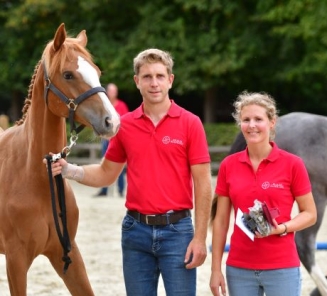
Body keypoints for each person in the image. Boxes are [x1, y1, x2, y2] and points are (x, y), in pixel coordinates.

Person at [46, 48, 212, 296]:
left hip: (178, 232)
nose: (153, 83)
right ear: (137, 81)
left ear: (170, 80)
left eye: (159, 76)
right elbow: (106, 174)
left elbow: (203, 184)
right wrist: (70, 170)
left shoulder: (190, 123)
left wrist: (200, 238)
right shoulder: (126, 125)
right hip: (136, 232)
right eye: (146, 77)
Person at [209, 91, 317, 296]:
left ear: (272, 122)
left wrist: (283, 228)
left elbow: (310, 214)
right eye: (246, 120)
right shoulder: (228, 165)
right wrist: (215, 270)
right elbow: (221, 221)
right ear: (239, 124)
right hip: (239, 269)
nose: (252, 125)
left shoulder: (293, 164)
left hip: (282, 267)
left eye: (258, 119)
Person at [94, 83, 129, 197]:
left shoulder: (122, 105)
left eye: (115, 91)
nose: (113, 93)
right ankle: (104, 190)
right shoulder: (104, 105)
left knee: (120, 167)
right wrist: (105, 136)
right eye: (111, 91)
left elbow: (126, 123)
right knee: (104, 165)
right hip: (106, 140)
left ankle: (120, 190)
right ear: (107, 92)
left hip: (119, 140)